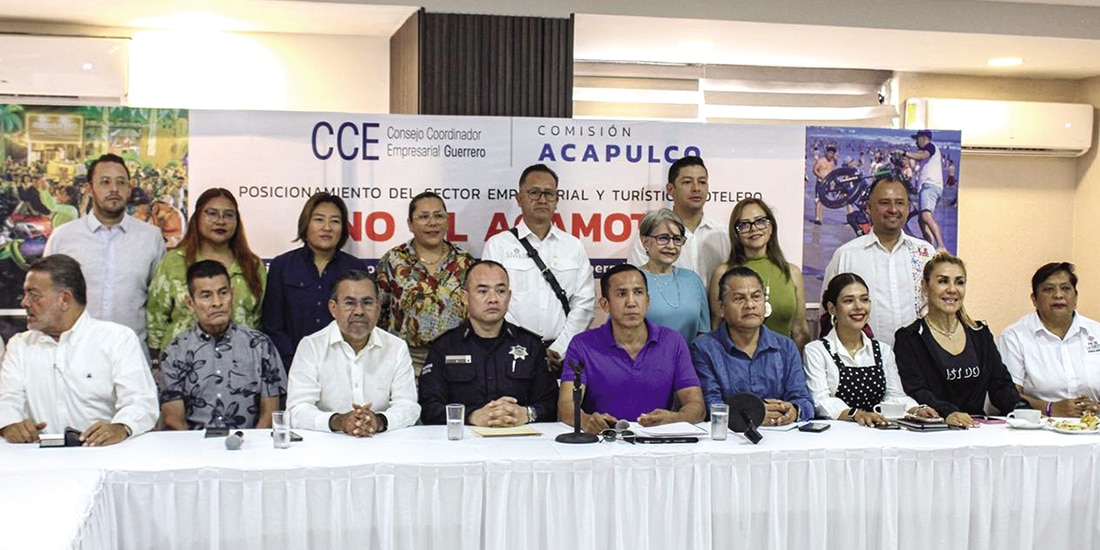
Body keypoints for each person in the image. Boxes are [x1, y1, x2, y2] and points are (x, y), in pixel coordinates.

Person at [0, 255, 158, 445]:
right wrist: (8, 423)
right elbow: (7, 399)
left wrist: (121, 427)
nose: (25, 303)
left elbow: (141, 402)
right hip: (38, 461)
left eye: (34, 295)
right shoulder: (20, 345)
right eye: (25, 294)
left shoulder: (117, 339)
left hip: (104, 456)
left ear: (65, 299)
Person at [558, 264, 705, 434]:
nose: (631, 302)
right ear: (605, 304)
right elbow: (566, 406)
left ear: (648, 301)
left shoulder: (673, 342)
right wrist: (586, 421)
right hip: (602, 442)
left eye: (638, 292)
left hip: (656, 444)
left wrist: (673, 419)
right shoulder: (582, 344)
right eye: (621, 294)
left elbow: (696, 406)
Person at [44, 153, 166, 355]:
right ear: (89, 188)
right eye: (105, 182)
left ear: (129, 188)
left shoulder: (150, 238)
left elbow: (159, 303)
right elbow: (46, 297)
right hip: (74, 357)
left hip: (131, 358)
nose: (114, 189)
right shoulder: (64, 238)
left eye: (121, 182)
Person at [894, 253, 1028, 428]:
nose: (952, 289)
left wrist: (1023, 410)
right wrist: (947, 413)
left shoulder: (979, 333)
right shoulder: (910, 338)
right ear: (925, 287)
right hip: (934, 432)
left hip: (976, 430)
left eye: (959, 282)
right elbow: (916, 390)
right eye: (943, 281)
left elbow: (1000, 385)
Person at [483, 164, 595, 371]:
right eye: (534, 192)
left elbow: (585, 304)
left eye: (549, 193)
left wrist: (559, 349)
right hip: (510, 355)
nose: (542, 200)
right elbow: (493, 303)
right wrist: (527, 348)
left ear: (557, 199)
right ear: (519, 198)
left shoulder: (573, 246)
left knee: (563, 405)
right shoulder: (498, 245)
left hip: (562, 359)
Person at [418, 260, 558, 426]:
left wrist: (527, 414)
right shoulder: (444, 347)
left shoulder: (531, 346)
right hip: (463, 444)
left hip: (520, 442)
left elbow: (551, 405)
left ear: (509, 296)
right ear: (464, 297)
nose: (493, 299)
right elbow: (428, 408)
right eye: (482, 291)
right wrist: (470, 417)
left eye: (500, 291)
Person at [286, 270, 419, 435]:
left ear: (378, 308)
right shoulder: (311, 346)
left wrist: (378, 421)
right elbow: (297, 410)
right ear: (333, 308)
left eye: (367, 303)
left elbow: (409, 406)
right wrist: (338, 421)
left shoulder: (396, 347)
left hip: (382, 445)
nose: (359, 311)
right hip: (326, 448)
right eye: (350, 303)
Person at [160, 260, 287, 430]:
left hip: (249, 448)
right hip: (193, 450)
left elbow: (270, 414)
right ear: (190, 303)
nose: (217, 302)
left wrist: (252, 451)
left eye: (223, 293)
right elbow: (174, 421)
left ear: (232, 295)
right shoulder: (175, 352)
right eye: (206, 296)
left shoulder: (260, 346)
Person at [147, 188, 266, 361]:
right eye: (212, 214)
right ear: (197, 218)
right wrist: (157, 363)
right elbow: (155, 318)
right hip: (182, 366)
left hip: (239, 367)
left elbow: (258, 323)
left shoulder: (252, 266)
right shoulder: (174, 261)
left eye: (228, 215)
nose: (220, 221)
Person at [803, 273, 936, 426]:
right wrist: (857, 414)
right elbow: (821, 401)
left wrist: (917, 409)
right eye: (849, 301)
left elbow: (894, 395)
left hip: (876, 433)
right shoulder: (816, 351)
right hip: (836, 437)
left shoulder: (883, 351)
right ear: (832, 308)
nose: (859, 307)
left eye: (864, 299)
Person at [691, 266, 813, 426]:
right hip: (729, 441)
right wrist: (752, 413)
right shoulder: (703, 349)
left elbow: (804, 401)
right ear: (722, 308)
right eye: (739, 299)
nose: (750, 305)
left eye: (756, 297)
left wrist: (794, 411)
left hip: (781, 437)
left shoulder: (785, 347)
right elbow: (710, 405)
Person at [823, 177, 936, 345]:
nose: (893, 209)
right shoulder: (846, 256)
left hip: (920, 363)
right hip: (863, 365)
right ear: (869, 207)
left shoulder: (925, 253)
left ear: (907, 208)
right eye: (884, 203)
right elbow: (827, 317)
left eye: (899, 203)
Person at [376, 192, 475, 377]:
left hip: (456, 359)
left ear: (447, 221)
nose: (432, 222)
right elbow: (378, 312)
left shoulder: (465, 262)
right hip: (405, 360)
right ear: (410, 224)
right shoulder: (394, 260)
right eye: (423, 217)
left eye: (438, 216)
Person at [263, 192, 366, 369]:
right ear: (306, 224)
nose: (327, 227)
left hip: (343, 368)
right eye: (319, 219)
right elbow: (273, 327)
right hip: (291, 366)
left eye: (335, 221)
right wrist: (295, 363)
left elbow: (362, 323)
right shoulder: (282, 266)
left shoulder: (356, 269)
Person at [997, 262, 1100, 416]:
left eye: (1065, 288)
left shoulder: (1096, 332)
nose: (1058, 295)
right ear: (1034, 299)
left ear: (1075, 296)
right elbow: (1007, 395)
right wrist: (1050, 408)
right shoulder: (1015, 337)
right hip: (1039, 429)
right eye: (1049, 289)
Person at [708, 198, 810, 349]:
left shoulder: (792, 273)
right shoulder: (723, 273)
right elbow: (716, 328)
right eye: (744, 225)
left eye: (760, 221)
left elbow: (800, 330)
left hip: (783, 365)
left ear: (771, 227)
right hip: (735, 365)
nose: (754, 228)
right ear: (736, 233)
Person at [627, 156, 730, 284]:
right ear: (670, 189)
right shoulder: (649, 236)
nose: (696, 188)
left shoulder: (724, 235)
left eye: (702, 182)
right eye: (687, 182)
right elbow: (637, 286)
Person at [634, 208, 709, 343]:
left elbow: (703, 334)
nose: (671, 245)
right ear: (645, 241)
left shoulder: (693, 280)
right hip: (644, 362)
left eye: (677, 239)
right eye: (663, 238)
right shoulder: (631, 280)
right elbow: (617, 332)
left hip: (688, 362)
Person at [902, 130, 947, 252]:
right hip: (928, 186)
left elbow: (921, 156)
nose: (916, 142)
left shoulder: (930, 147)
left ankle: (941, 245)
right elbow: (914, 160)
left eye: (917, 139)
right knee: (921, 219)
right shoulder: (927, 151)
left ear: (923, 138)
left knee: (926, 216)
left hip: (930, 185)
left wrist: (904, 152)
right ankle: (929, 246)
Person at [811, 145, 837, 225]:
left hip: (827, 184)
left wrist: (834, 183)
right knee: (818, 200)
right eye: (830, 153)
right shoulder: (820, 161)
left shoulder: (832, 163)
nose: (831, 155)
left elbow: (833, 173)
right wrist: (820, 176)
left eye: (832, 154)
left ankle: (820, 216)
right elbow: (814, 170)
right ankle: (817, 218)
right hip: (820, 182)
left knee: (823, 201)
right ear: (826, 153)